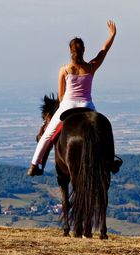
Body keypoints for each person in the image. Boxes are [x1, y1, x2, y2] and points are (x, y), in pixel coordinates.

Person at [27, 20, 117, 176]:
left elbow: (61, 96)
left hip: (67, 106)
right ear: (84, 50)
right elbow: (104, 50)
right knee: (103, 130)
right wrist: (112, 35)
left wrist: (66, 104)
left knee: (48, 134)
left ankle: (34, 164)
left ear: (70, 51)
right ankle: (110, 162)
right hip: (88, 106)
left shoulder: (64, 70)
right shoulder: (91, 67)